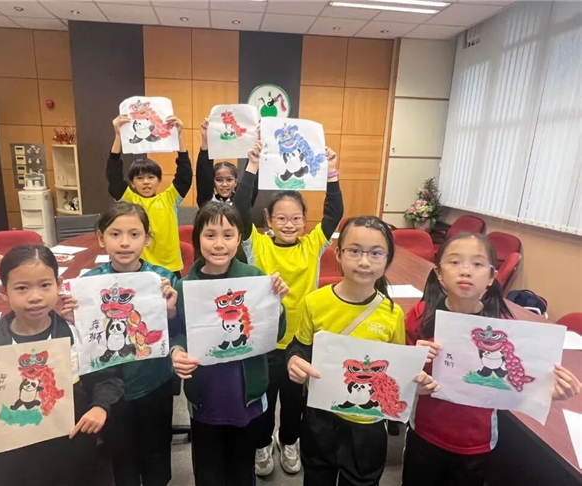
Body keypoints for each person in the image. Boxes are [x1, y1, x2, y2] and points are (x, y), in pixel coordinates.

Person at [0, 245, 124, 485]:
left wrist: (100, 406)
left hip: (73, 454)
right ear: (3, 291)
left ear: (59, 284)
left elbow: (107, 378)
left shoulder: (78, 335)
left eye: (45, 285)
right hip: (17, 464)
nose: (35, 297)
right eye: (22, 288)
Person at [403, 233, 582, 486]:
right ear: (439, 273)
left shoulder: (505, 328)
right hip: (425, 433)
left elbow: (519, 381)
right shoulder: (421, 315)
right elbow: (402, 373)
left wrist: (547, 390)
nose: (466, 271)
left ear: (491, 276)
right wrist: (413, 362)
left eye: (477, 264)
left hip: (477, 440)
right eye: (454, 262)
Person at [286, 216, 439, 486]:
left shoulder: (391, 313)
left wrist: (415, 377)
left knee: (361, 481)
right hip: (320, 417)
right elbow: (299, 346)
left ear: (388, 260)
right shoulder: (315, 301)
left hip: (367, 425)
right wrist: (294, 360)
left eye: (376, 253)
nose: (364, 261)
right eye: (354, 251)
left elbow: (394, 368)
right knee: (317, 476)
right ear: (338, 254)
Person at [233, 140, 344, 476]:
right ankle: (262, 444)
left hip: (301, 341)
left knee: (295, 400)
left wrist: (332, 174)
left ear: (305, 221)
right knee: (264, 400)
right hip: (265, 340)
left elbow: (334, 213)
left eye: (296, 218)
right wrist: (251, 168)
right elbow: (240, 209)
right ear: (268, 219)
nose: (289, 223)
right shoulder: (257, 245)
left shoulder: (313, 245)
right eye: (281, 217)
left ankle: (289, 440)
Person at [170, 202, 288, 486]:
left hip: (245, 395)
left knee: (241, 469)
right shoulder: (185, 286)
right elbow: (178, 332)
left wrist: (278, 305)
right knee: (208, 471)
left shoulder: (255, 278)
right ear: (198, 238)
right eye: (210, 235)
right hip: (206, 396)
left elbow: (276, 334)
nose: (219, 244)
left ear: (239, 239)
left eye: (228, 235)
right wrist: (176, 351)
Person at [60, 201, 178, 486]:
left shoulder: (163, 279)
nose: (125, 242)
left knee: (157, 449)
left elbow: (179, 331)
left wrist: (171, 311)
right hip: (111, 387)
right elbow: (85, 339)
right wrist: (74, 319)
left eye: (134, 234)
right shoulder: (88, 284)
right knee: (122, 455)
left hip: (154, 381)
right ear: (101, 238)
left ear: (147, 238)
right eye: (115, 234)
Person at [106, 114, 192, 277]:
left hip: (170, 267)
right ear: (132, 183)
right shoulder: (129, 200)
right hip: (138, 267)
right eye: (140, 178)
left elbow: (184, 175)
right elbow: (114, 176)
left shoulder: (170, 198)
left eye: (151, 177)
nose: (146, 182)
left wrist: (178, 136)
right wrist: (118, 136)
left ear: (159, 180)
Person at [195, 117, 258, 208]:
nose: (224, 184)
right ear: (213, 182)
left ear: (236, 182)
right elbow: (203, 173)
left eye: (229, 180)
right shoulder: (206, 202)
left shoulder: (242, 204)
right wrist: (206, 141)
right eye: (219, 180)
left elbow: (250, 179)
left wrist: (256, 142)